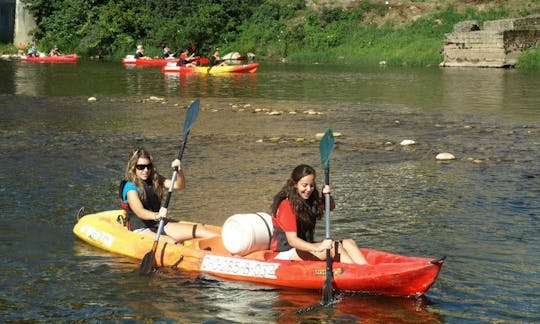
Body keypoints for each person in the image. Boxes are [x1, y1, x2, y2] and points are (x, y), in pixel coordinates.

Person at [270, 164, 368, 264]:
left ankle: (367, 271)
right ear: (295, 184)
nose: (308, 189)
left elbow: (331, 207)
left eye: (311, 185)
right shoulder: (286, 205)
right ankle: (355, 274)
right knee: (333, 248)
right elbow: (293, 240)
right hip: (286, 252)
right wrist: (317, 247)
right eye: (304, 185)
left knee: (349, 243)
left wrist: (327, 196)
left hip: (304, 247)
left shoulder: (310, 199)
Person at [120, 148, 217, 244]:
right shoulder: (130, 187)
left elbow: (179, 185)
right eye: (141, 167)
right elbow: (140, 212)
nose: (146, 170)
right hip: (141, 228)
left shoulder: (155, 179)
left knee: (198, 229)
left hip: (158, 224)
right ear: (133, 167)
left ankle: (226, 242)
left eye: (148, 166)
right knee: (171, 242)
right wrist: (157, 215)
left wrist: (179, 171)